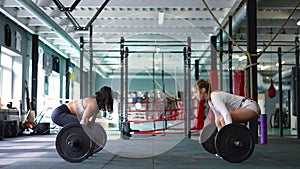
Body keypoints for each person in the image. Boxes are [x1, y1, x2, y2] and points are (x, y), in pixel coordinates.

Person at [193, 79, 259, 130]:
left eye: (195, 92)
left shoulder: (214, 95)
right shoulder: (210, 101)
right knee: (219, 120)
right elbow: (217, 119)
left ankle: (231, 136)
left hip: (250, 106)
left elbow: (226, 114)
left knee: (223, 118)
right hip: (242, 109)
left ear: (203, 90)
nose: (194, 96)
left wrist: (228, 131)